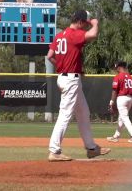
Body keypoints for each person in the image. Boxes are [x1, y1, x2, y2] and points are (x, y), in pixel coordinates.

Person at [47, 10, 111, 161]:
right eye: (85, 24)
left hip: (66, 77)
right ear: (81, 21)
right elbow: (93, 35)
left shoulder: (59, 35)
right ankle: (54, 150)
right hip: (70, 80)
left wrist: (63, 67)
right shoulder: (73, 34)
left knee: (83, 113)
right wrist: (95, 24)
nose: (85, 27)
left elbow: (50, 56)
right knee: (65, 115)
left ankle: (91, 148)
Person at [107, 61, 132, 143]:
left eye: (116, 67)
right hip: (130, 99)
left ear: (120, 67)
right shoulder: (131, 78)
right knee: (121, 118)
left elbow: (114, 91)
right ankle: (116, 136)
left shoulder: (118, 77)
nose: (116, 69)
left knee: (124, 117)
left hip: (121, 99)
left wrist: (111, 103)